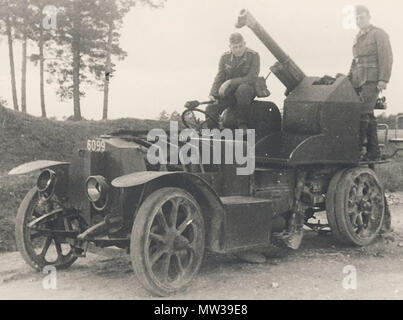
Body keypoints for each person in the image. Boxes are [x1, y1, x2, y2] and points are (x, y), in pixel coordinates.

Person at [348, 5, 393, 161]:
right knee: (369, 115)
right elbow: (355, 61)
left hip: (372, 80)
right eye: (357, 18)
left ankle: (356, 151)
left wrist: (383, 80)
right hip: (357, 80)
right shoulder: (358, 36)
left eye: (362, 17)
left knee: (361, 112)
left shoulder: (378, 34)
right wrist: (349, 78)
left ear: (368, 17)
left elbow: (386, 58)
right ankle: (374, 151)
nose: (359, 21)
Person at [206, 32, 260, 130]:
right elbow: (220, 76)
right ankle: (215, 134)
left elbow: (252, 77)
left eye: (240, 46)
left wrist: (230, 82)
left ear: (245, 44)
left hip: (247, 92)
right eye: (235, 47)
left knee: (243, 89)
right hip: (229, 92)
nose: (238, 49)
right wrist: (212, 94)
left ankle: (242, 124)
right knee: (210, 108)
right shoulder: (224, 57)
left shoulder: (253, 55)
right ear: (230, 47)